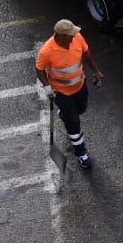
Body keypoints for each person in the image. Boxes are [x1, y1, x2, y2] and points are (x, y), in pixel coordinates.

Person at [35, 19, 105, 169]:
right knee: (73, 122)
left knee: (81, 109)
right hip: (61, 92)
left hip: (80, 86)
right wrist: (47, 87)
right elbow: (39, 69)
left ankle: (65, 115)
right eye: (71, 34)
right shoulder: (47, 51)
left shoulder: (77, 38)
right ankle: (81, 153)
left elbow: (86, 54)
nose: (74, 35)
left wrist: (96, 71)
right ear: (61, 35)